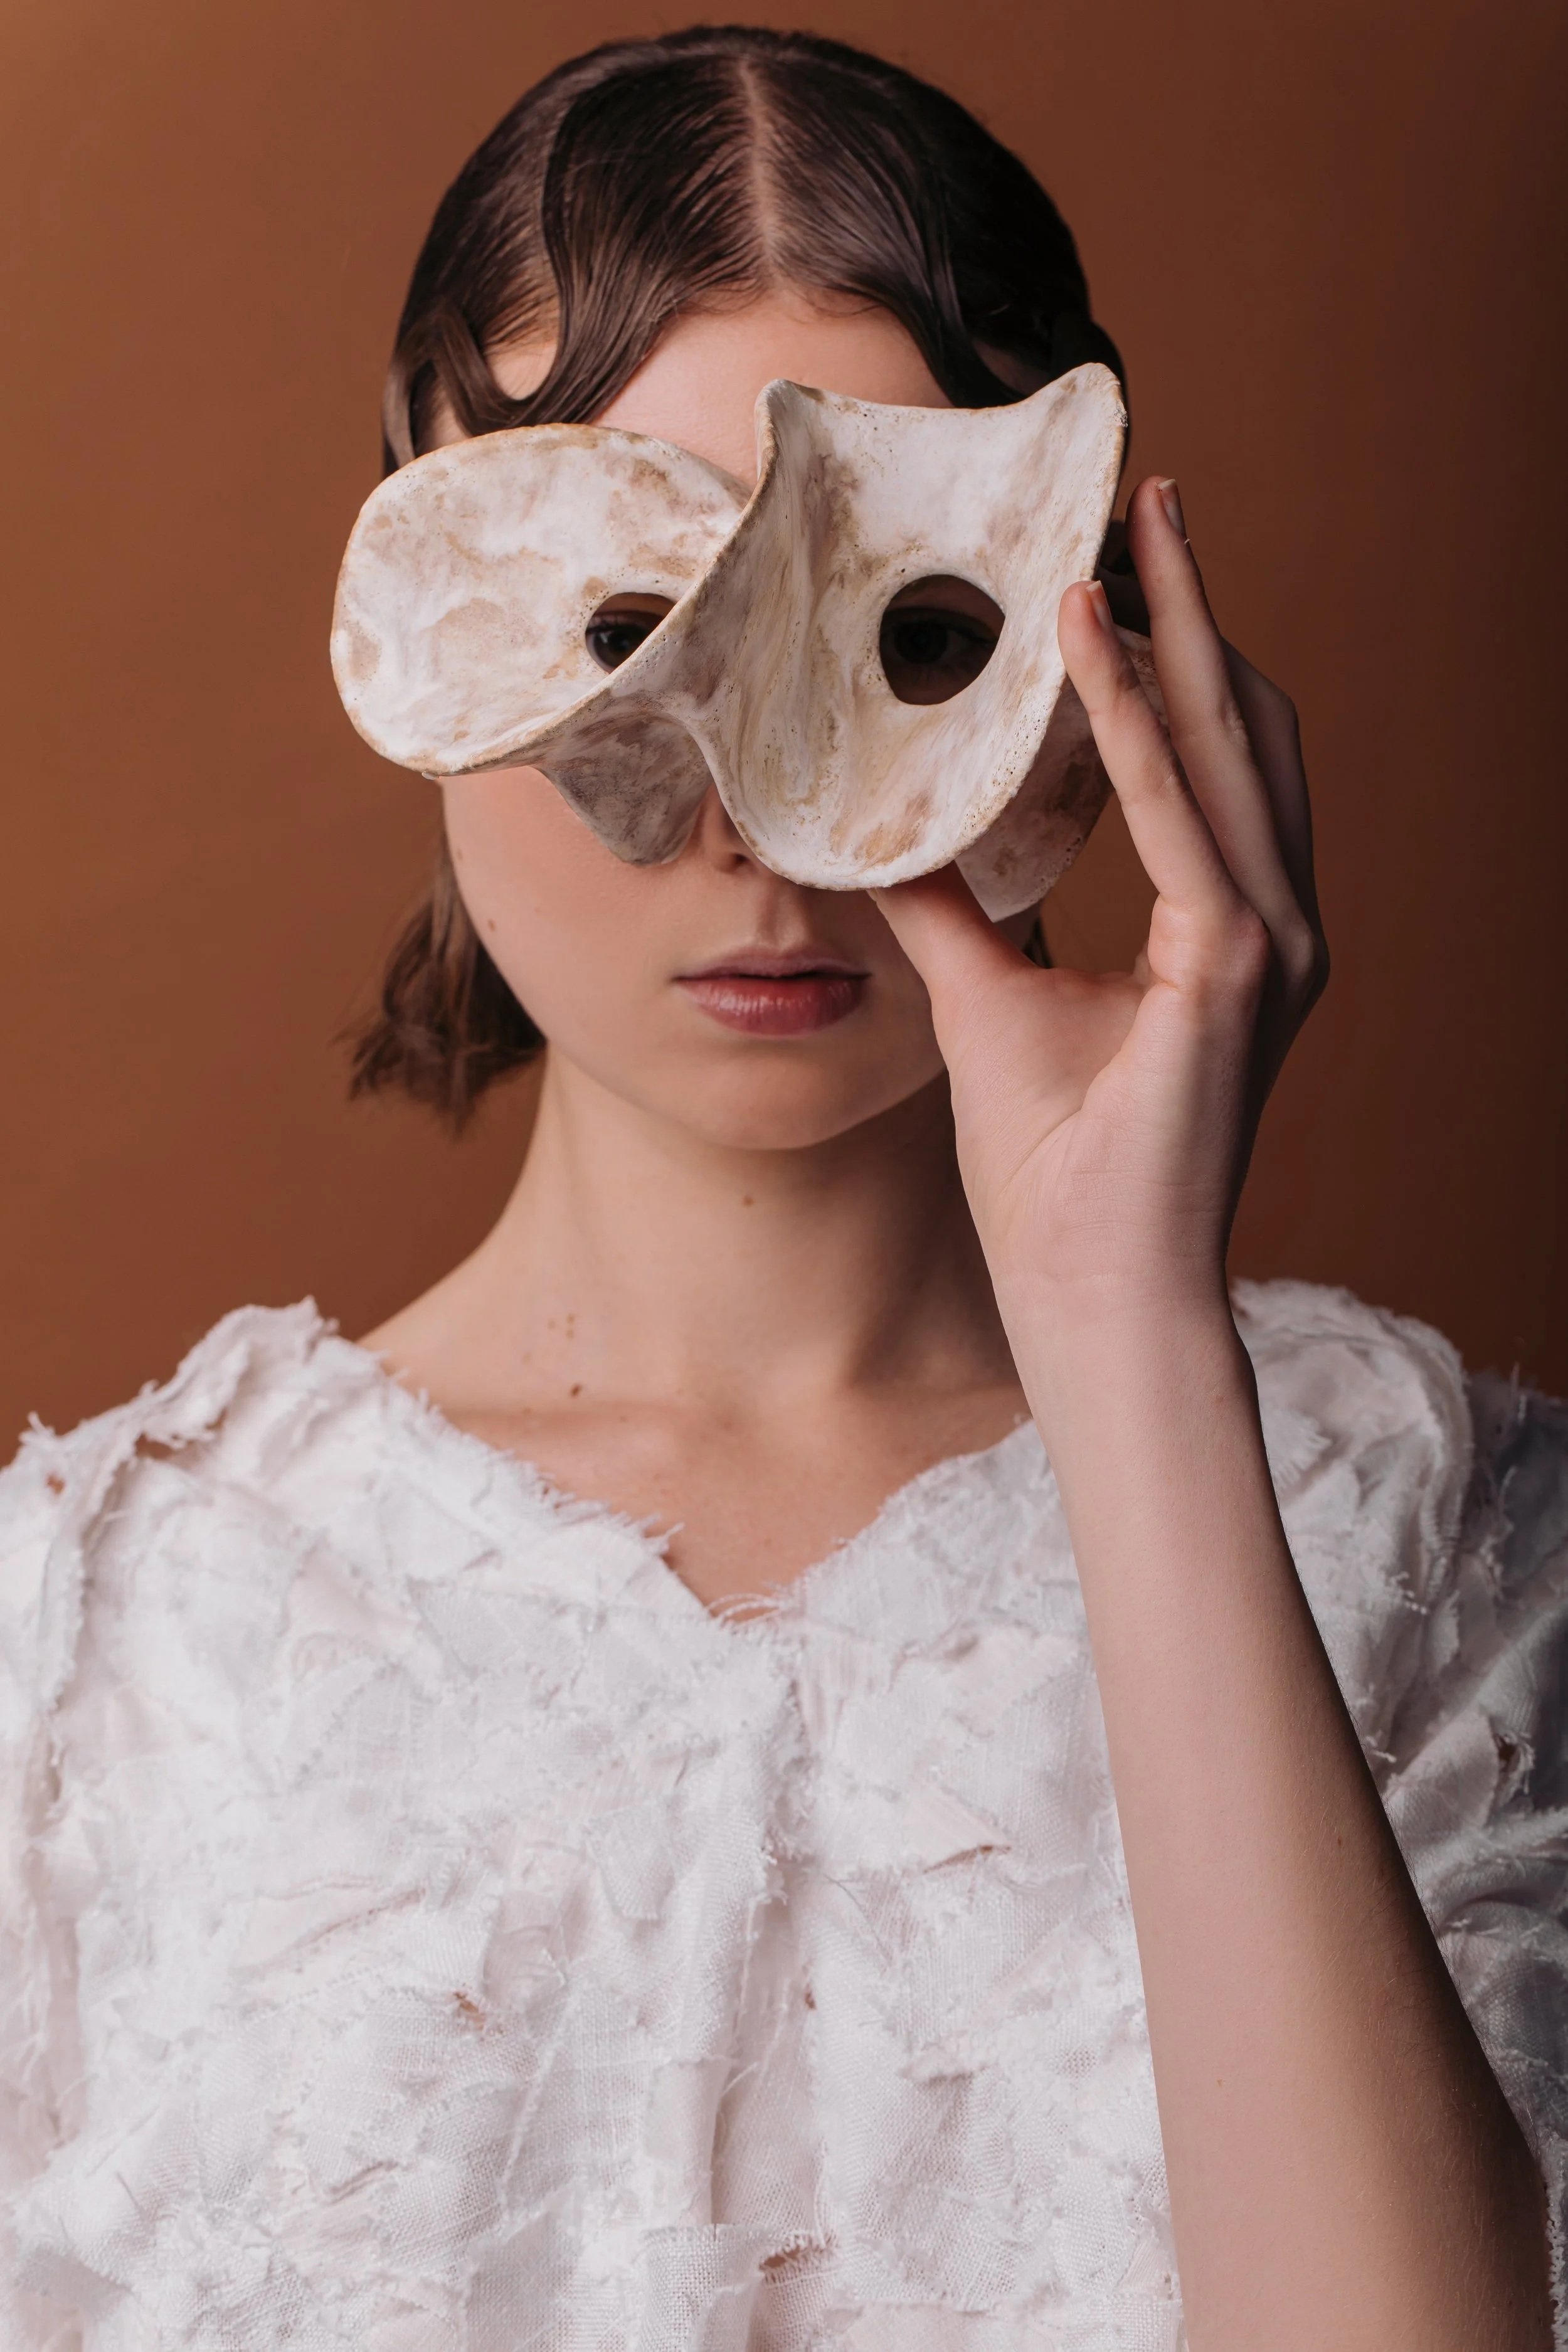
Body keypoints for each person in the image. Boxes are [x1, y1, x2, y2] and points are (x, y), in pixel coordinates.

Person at [0, 26, 1561, 2349]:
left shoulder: (1434, 1538)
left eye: (907, 634)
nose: (746, 809)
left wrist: (1129, 1346)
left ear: (1092, 639)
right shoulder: (93, 1644)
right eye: (625, 633)